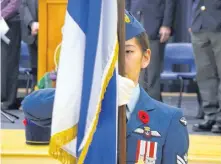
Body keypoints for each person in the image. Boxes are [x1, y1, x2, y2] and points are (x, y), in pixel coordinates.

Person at [126, 0, 176, 101]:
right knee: (136, 71)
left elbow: (170, 2)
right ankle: (139, 105)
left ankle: (153, 107)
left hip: (154, 25)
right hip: (134, 21)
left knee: (152, 72)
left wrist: (166, 24)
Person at [190, 0, 221, 133]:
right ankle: (211, 116)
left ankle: (220, 119)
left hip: (218, 25)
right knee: (204, 75)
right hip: (199, 25)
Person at [1, 0, 22, 110]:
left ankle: (8, 100)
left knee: (9, 63)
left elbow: (14, 4)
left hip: (10, 23)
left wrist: (0, 15)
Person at [20, 0, 38, 89]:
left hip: (52, 32)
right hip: (32, 33)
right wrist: (31, 23)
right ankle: (35, 94)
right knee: (35, 69)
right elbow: (23, 5)